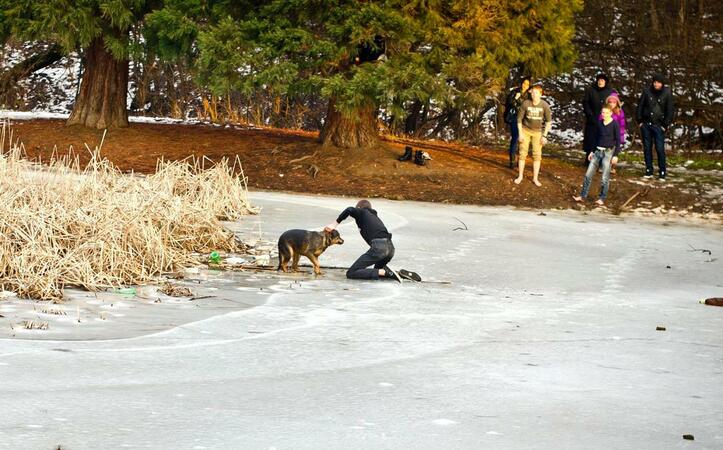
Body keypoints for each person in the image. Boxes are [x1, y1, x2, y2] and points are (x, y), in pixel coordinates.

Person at [324, 199, 420, 282]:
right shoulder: (373, 216)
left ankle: (387, 272)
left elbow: (349, 209)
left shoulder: (362, 212)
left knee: (352, 273)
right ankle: (399, 273)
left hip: (380, 247)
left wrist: (334, 224)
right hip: (390, 248)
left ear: (359, 207)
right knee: (378, 271)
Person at [573, 106, 621, 206]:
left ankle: (602, 198)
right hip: (597, 151)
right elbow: (595, 138)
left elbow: (618, 140)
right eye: (602, 113)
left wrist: (615, 155)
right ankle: (582, 196)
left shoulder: (614, 124)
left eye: (606, 113)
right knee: (588, 175)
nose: (604, 115)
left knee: (604, 177)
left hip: (608, 152)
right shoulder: (599, 123)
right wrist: (591, 151)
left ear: (611, 113)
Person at [636, 72, 674, 180]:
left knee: (660, 149)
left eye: (659, 83)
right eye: (655, 82)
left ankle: (662, 171)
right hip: (646, 124)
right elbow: (640, 106)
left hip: (659, 125)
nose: (656, 85)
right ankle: (649, 170)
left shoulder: (667, 93)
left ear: (662, 84)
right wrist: (640, 121)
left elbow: (670, 110)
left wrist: (665, 124)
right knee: (647, 148)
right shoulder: (646, 91)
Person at [514, 85, 552, 187]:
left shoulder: (544, 105)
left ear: (540, 94)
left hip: (538, 132)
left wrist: (544, 136)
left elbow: (548, 122)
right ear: (530, 93)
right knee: (522, 153)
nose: (534, 95)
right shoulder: (525, 103)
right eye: (533, 92)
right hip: (525, 130)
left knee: (537, 155)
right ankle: (520, 176)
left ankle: (535, 178)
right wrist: (520, 134)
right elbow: (519, 120)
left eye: (536, 93)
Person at [582, 73, 615, 164]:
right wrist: (589, 114)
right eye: (599, 80)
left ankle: (601, 161)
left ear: (605, 82)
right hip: (592, 118)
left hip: (604, 118)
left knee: (602, 138)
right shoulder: (591, 90)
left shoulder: (609, 91)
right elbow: (585, 102)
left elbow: (613, 103)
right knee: (591, 138)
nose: (600, 82)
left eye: (602, 81)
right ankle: (588, 159)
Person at [503, 77, 531, 168]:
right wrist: (515, 98)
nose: (525, 85)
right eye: (524, 83)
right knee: (516, 137)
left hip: (525, 119)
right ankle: (512, 160)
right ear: (521, 83)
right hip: (514, 118)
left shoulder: (529, 95)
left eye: (527, 84)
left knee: (523, 140)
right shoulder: (515, 92)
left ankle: (521, 160)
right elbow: (508, 103)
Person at [600, 93, 626, 173]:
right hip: (605, 135)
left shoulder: (619, 112)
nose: (612, 104)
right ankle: (602, 165)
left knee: (613, 151)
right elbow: (600, 122)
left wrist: (621, 137)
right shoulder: (604, 111)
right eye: (610, 102)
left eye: (614, 102)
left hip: (615, 135)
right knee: (603, 150)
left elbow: (622, 125)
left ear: (617, 103)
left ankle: (612, 166)